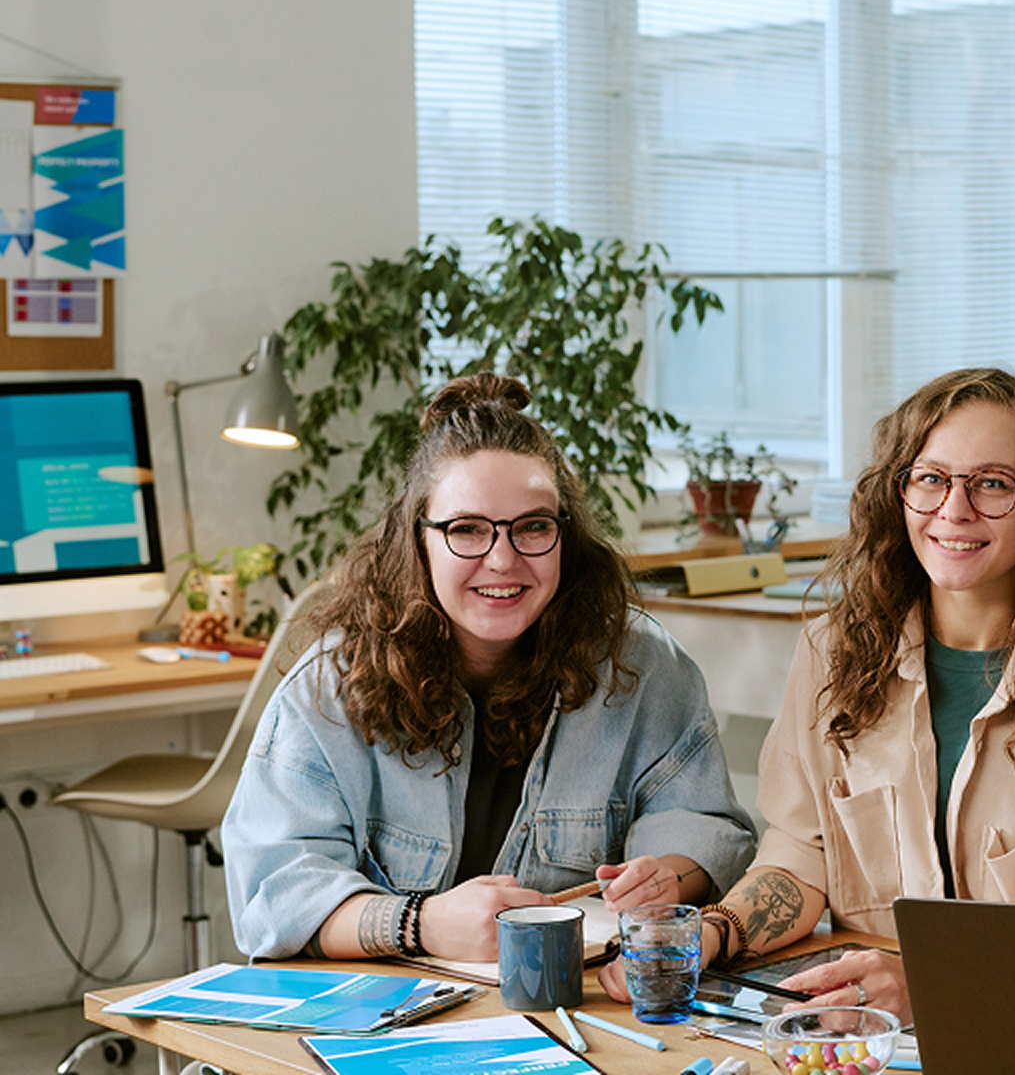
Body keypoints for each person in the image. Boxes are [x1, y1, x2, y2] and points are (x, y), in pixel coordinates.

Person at [600, 368, 1015, 1023]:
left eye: (992, 483)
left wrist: (924, 985)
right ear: (898, 493)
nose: (954, 509)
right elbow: (802, 853)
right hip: (876, 1032)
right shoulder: (831, 655)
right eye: (931, 479)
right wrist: (712, 932)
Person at [224, 373, 756, 961]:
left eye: (533, 527)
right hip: (385, 1022)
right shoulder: (330, 688)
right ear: (418, 540)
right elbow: (273, 898)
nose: (502, 560)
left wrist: (668, 879)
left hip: (578, 1013)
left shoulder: (643, 669)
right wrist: (418, 923)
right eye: (467, 530)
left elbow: (705, 827)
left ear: (565, 537)